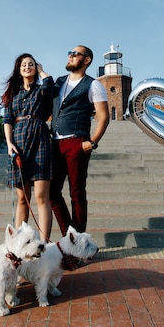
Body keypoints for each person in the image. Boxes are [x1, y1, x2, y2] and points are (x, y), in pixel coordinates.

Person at [50, 45, 109, 236]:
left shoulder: (93, 85)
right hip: (55, 143)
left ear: (87, 60)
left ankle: (79, 241)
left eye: (75, 54)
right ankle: (70, 236)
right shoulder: (58, 82)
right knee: (52, 192)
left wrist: (92, 142)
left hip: (77, 141)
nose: (70, 56)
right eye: (70, 53)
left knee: (76, 194)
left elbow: (103, 116)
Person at [2, 53, 54, 241]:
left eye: (31, 64)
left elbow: (50, 85)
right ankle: (18, 244)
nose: (27, 67)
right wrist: (9, 143)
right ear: (18, 69)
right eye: (24, 64)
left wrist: (42, 70)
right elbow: (7, 120)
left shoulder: (42, 89)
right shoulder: (12, 94)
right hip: (19, 143)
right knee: (23, 199)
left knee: (41, 196)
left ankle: (43, 244)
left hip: (40, 139)